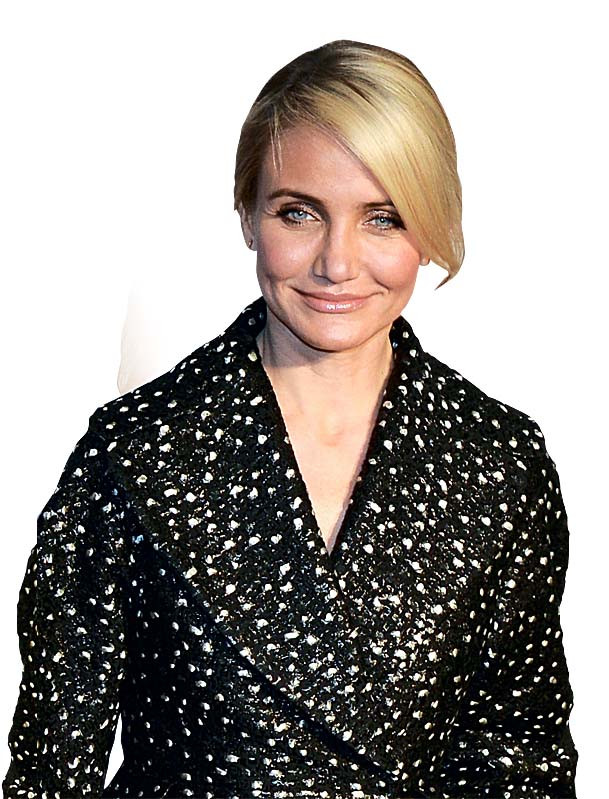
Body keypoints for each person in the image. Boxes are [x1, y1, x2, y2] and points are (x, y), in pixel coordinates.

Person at [2, 39, 578, 799]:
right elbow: (51, 769)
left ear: (432, 224)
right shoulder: (133, 456)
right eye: (299, 212)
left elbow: (520, 762)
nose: (337, 264)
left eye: (383, 218)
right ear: (247, 215)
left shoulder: (500, 464)